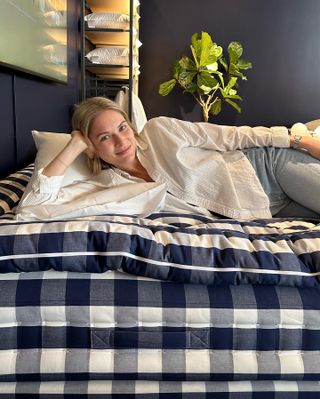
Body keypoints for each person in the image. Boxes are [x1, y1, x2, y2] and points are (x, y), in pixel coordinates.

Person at [17, 96, 320, 220]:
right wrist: (72, 147)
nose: (121, 141)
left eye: (122, 127)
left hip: (268, 167)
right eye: (104, 137)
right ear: (92, 148)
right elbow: (30, 209)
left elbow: (230, 136)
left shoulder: (160, 130)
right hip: (260, 209)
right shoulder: (104, 186)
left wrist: (298, 140)